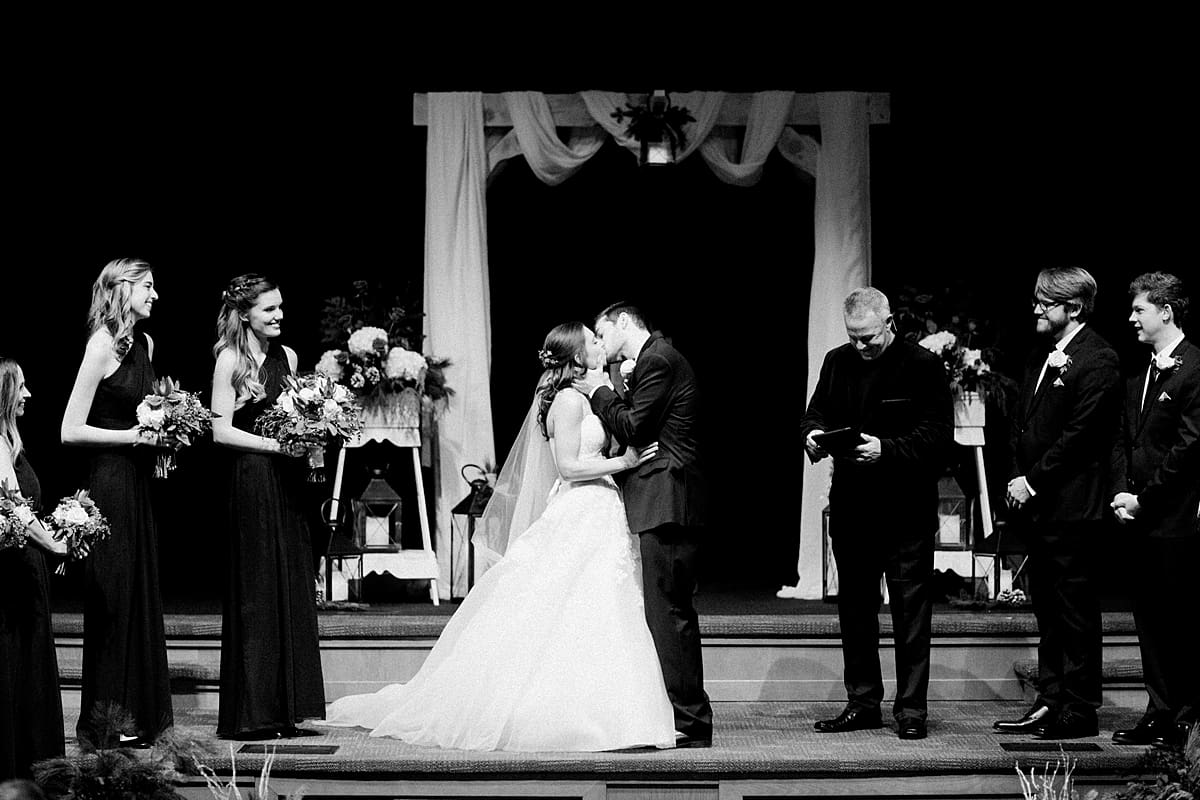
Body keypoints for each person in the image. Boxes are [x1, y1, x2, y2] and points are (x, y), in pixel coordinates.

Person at [320, 322, 675, 751]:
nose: (601, 344)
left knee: (603, 604)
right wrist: (624, 463)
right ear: (578, 356)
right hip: (581, 507)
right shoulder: (565, 400)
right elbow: (567, 466)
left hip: (601, 511)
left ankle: (615, 713)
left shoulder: (589, 395)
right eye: (593, 339)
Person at [799, 287, 952, 741]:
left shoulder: (922, 366)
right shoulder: (838, 361)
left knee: (910, 613)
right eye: (854, 337)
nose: (861, 346)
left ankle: (911, 710)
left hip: (905, 509)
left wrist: (887, 449)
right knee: (856, 611)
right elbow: (815, 413)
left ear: (889, 323)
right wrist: (812, 435)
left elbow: (939, 437)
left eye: (868, 337)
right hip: (853, 507)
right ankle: (863, 702)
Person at [574, 302, 714, 749]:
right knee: (665, 611)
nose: (600, 341)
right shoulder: (650, 361)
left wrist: (599, 389)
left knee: (669, 612)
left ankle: (691, 721)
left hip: (669, 498)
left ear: (623, 324)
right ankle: (680, 714)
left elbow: (635, 426)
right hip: (660, 498)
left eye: (602, 331)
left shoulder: (657, 358)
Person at [994, 266, 1121, 740]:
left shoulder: (1098, 359)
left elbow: (1081, 437)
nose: (1036, 309)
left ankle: (1080, 706)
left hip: (1072, 506)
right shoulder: (1042, 355)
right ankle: (1049, 699)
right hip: (1039, 506)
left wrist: (1034, 480)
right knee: (1047, 609)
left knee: (1075, 611)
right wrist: (1016, 474)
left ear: (1075, 308)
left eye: (1045, 302)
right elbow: (1024, 424)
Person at [60, 258, 172, 748]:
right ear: (121, 289)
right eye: (147, 286)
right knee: (113, 600)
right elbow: (69, 429)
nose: (155, 295)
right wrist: (134, 435)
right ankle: (105, 725)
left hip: (138, 484)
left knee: (138, 597)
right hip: (109, 483)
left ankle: (137, 716)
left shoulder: (145, 344)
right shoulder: (101, 344)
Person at [210, 274, 326, 740]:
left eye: (281, 308)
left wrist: (316, 429)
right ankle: (253, 711)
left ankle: (286, 708)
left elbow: (296, 412)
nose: (279, 316)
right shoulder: (229, 360)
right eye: (269, 310)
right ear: (244, 315)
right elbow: (220, 431)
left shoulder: (288, 356)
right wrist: (277, 445)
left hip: (288, 483)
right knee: (258, 588)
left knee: (290, 582)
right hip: (254, 480)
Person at [1108, 271, 1198, 748]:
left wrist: (1146, 499)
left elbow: (1189, 447)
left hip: (1176, 520)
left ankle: (1184, 716)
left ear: (1166, 311)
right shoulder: (1140, 372)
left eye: (1139, 309)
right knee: (1149, 621)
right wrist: (1125, 494)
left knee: (1178, 622)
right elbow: (1127, 439)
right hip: (1140, 518)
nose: (1131, 318)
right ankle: (1158, 711)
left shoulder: (1195, 367)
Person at [0, 358, 67, 779]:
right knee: (16, 663)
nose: (27, 394)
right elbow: (14, 505)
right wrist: (55, 543)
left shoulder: (11, 441)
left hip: (27, 570)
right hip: (13, 575)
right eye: (20, 387)